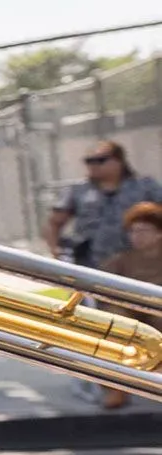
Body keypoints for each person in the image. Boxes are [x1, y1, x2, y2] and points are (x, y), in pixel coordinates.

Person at [47, 140, 162, 267]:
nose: (93, 165)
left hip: (136, 260)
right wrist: (55, 250)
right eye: (89, 161)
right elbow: (54, 223)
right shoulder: (78, 190)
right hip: (91, 261)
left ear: (119, 161)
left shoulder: (145, 186)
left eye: (101, 160)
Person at [97, 201, 162, 408]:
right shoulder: (121, 261)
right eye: (133, 231)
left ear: (159, 233)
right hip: (131, 312)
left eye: (143, 230)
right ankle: (118, 387)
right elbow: (101, 285)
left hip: (158, 311)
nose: (137, 236)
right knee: (115, 324)